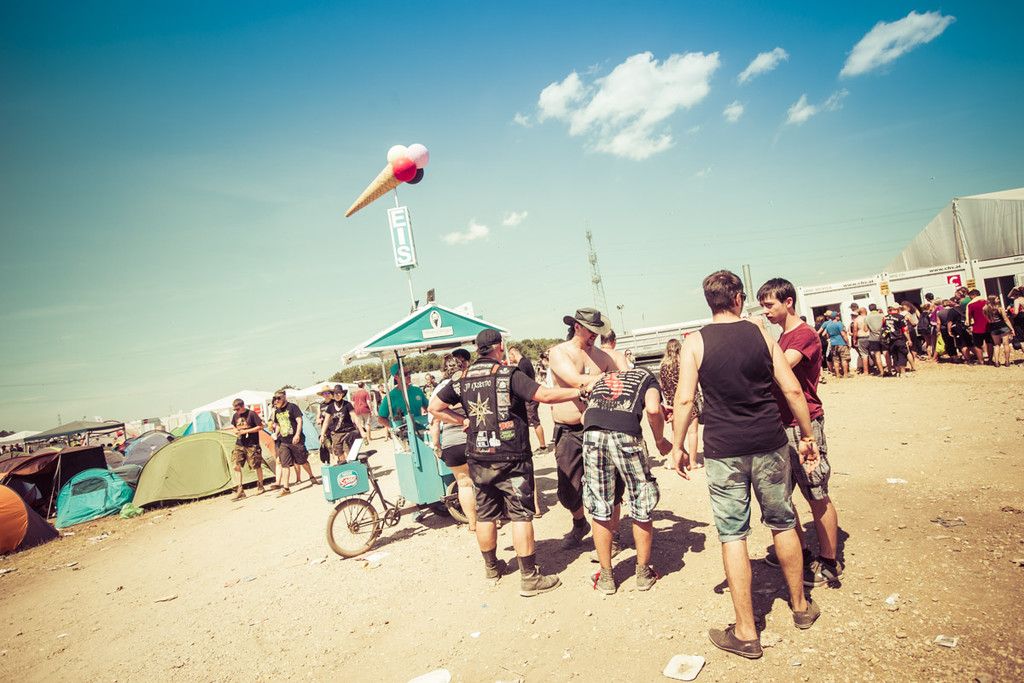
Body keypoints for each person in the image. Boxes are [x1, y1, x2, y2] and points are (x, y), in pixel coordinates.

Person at [668, 270, 820, 659]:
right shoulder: (760, 333)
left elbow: (684, 400)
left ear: (709, 301)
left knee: (733, 534)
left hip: (724, 450)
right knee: (782, 521)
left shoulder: (694, 342)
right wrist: (807, 436)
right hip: (769, 441)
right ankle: (801, 607)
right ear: (737, 297)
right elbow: (791, 388)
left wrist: (678, 447)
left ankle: (747, 632)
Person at [429, 329, 585, 597]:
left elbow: (434, 408)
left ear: (478, 349)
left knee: (485, 514)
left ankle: (492, 568)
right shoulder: (508, 374)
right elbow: (545, 396)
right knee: (520, 514)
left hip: (478, 455)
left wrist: (463, 421)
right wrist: (580, 389)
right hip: (511, 456)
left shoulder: (462, 378)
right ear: (500, 346)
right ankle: (529, 578)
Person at [758, 279, 843, 587]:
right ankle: (802, 553)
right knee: (782, 495)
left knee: (816, 492)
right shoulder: (783, 337)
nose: (765, 311)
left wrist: (760, 335)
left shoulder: (803, 335)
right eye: (763, 306)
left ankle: (830, 561)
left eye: (770, 305)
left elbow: (780, 369)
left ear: (789, 302)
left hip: (803, 426)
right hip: (781, 425)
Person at [582, 364, 672, 594]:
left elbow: (585, 415)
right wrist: (660, 440)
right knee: (641, 497)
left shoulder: (605, 377)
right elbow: (653, 410)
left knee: (600, 503)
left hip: (592, 433)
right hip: (626, 434)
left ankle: (606, 577)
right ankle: (643, 573)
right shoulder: (648, 377)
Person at [547, 308, 626, 549]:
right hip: (569, 430)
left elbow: (624, 382)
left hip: (600, 428)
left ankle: (613, 534)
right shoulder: (559, 352)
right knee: (569, 489)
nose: (594, 336)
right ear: (577, 327)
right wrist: (610, 379)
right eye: (590, 331)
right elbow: (575, 381)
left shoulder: (603, 356)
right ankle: (580, 523)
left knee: (612, 484)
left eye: (597, 332)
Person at [428, 350, 477, 531]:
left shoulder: (438, 390)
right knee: (481, 481)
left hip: (451, 442)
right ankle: (490, 520)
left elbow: (434, 422)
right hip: (472, 438)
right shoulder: (469, 383)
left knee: (463, 484)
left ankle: (472, 523)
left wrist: (436, 446)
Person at [659, 338, 700, 469]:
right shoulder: (685, 364)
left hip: (674, 405)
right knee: (692, 432)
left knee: (676, 433)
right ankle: (692, 462)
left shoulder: (663, 367)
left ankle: (675, 461)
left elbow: (662, 387)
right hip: (689, 401)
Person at [269, 390, 318, 496]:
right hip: (283, 441)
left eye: (279, 398)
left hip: (296, 440)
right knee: (284, 464)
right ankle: (286, 488)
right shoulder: (277, 411)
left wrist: (297, 435)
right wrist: (276, 433)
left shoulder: (292, 407)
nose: (277, 400)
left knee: (302, 461)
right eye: (275, 398)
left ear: (284, 397)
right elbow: (278, 425)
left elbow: (299, 421)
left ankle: (311, 477)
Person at [507, 344, 549, 453]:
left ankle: (543, 446)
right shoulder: (525, 362)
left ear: (513, 353)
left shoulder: (522, 364)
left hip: (530, 398)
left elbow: (522, 383)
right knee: (534, 421)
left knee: (535, 422)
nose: (509, 359)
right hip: (531, 396)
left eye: (510, 356)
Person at [230, 398, 266, 499]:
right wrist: (235, 430)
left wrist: (246, 431)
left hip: (252, 444)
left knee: (256, 465)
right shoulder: (235, 416)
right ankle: (240, 489)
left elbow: (260, 427)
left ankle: (260, 485)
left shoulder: (252, 414)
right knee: (235, 465)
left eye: (238, 409)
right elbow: (233, 426)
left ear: (243, 406)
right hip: (240, 443)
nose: (236, 411)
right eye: (235, 410)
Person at [378, 364, 430, 431]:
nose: (408, 375)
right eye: (405, 374)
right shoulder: (390, 396)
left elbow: (429, 408)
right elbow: (381, 419)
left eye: (409, 373)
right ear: (396, 377)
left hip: (421, 430)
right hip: (404, 433)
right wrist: (395, 427)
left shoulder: (417, 390)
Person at [321, 385, 361, 464]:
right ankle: (344, 468)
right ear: (333, 395)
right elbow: (326, 421)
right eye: (335, 393)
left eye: (339, 393)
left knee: (349, 452)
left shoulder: (347, 404)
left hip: (348, 432)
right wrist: (322, 434)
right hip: (336, 434)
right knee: (339, 454)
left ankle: (354, 467)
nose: (337, 395)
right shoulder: (330, 407)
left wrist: (361, 430)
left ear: (342, 394)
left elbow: (355, 417)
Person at [984, 295, 1015, 367]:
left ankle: (996, 362)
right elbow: (1006, 319)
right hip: (1002, 326)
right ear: (993, 300)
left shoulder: (985, 309)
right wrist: (1011, 328)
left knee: (996, 345)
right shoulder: (1000, 308)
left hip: (993, 327)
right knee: (1006, 344)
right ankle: (1007, 362)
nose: (998, 299)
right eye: (997, 298)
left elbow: (988, 320)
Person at [881, 305, 912, 377]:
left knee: (894, 355)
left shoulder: (885, 318)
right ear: (897, 309)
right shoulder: (900, 317)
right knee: (902, 355)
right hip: (899, 338)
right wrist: (909, 339)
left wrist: (884, 338)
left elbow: (884, 329)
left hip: (890, 340)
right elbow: (905, 330)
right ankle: (903, 373)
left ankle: (898, 372)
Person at [821, 312, 850, 378]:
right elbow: (843, 334)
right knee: (844, 359)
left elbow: (824, 334)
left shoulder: (828, 325)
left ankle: (838, 374)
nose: (839, 317)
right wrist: (848, 342)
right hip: (841, 343)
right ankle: (845, 374)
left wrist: (830, 339)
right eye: (838, 316)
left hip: (833, 344)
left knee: (836, 360)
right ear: (836, 317)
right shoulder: (839, 323)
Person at [864, 305, 886, 375]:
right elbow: (886, 326)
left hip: (873, 338)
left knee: (877, 355)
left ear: (869, 309)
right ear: (876, 308)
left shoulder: (867, 318)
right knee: (886, 353)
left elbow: (865, 329)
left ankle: (881, 372)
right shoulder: (882, 316)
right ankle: (889, 370)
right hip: (883, 337)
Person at [853, 308, 871, 375]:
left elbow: (855, 330)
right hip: (870, 336)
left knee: (864, 355)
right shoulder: (869, 318)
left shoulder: (857, 319)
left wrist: (854, 339)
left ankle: (866, 371)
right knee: (873, 353)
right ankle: (879, 369)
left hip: (861, 337)